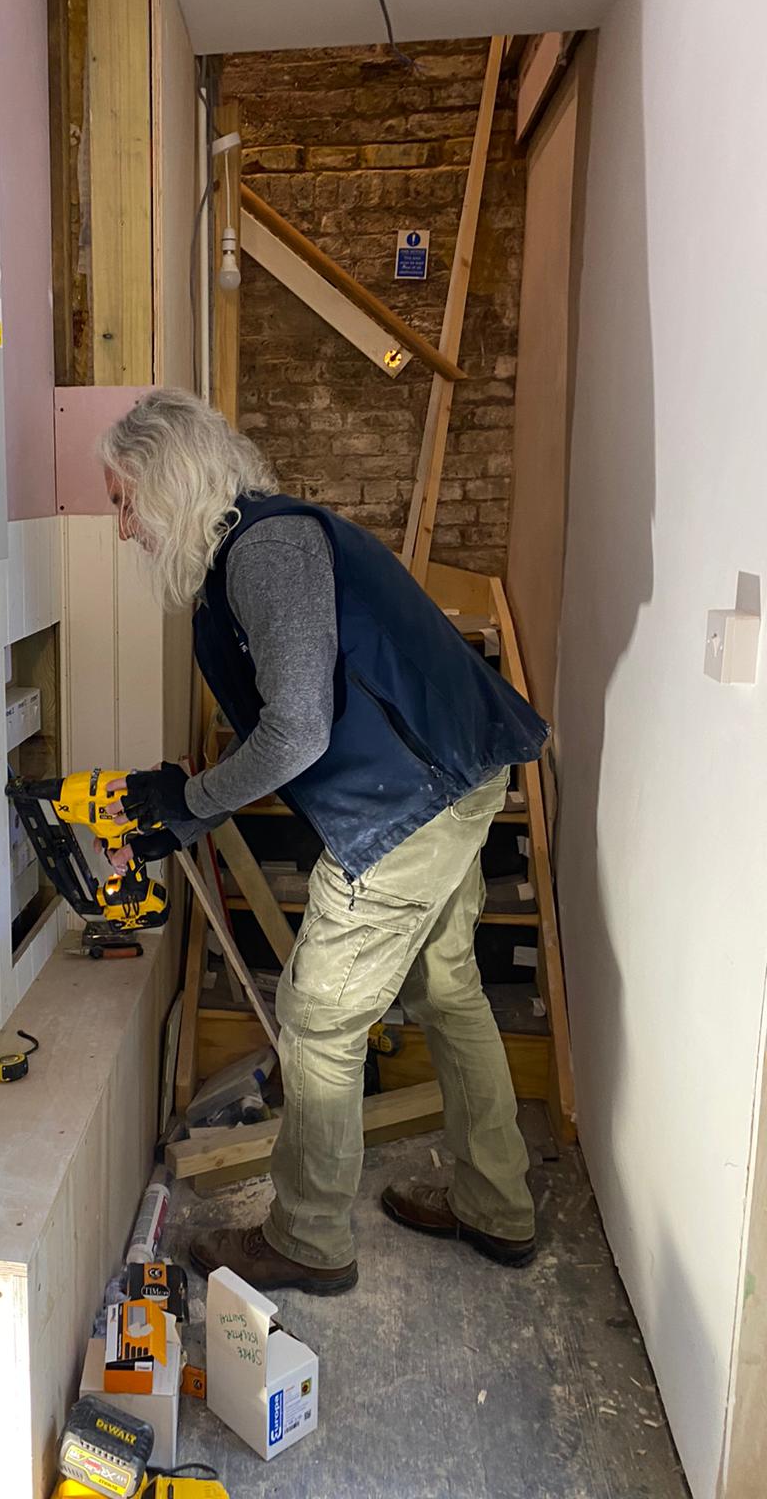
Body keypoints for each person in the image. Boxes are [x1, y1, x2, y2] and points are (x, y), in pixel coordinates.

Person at [99, 387, 550, 1295]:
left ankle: (307, 1240)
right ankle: (496, 1205)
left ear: (172, 481)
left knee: (319, 1021)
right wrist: (195, 793)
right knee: (445, 983)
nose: (123, 527)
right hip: (452, 777)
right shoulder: (267, 542)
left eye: (124, 500)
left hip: (412, 804)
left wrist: (189, 803)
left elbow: (296, 732)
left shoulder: (264, 554)